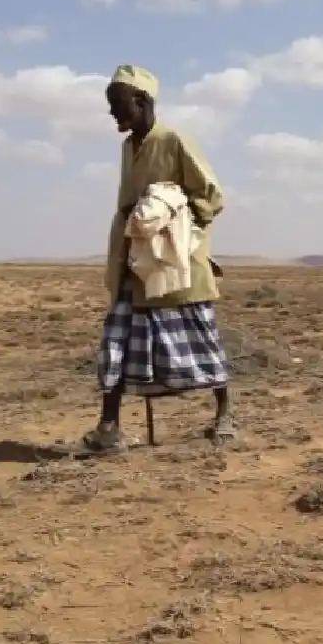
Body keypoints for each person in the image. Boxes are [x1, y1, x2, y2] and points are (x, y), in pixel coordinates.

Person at [76, 64, 235, 453]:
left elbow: (211, 197)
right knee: (117, 342)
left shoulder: (174, 139)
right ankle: (109, 428)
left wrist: (177, 226)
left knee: (201, 341)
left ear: (142, 100)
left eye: (118, 105)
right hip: (133, 264)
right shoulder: (128, 147)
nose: (113, 114)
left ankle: (225, 417)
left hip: (175, 267)